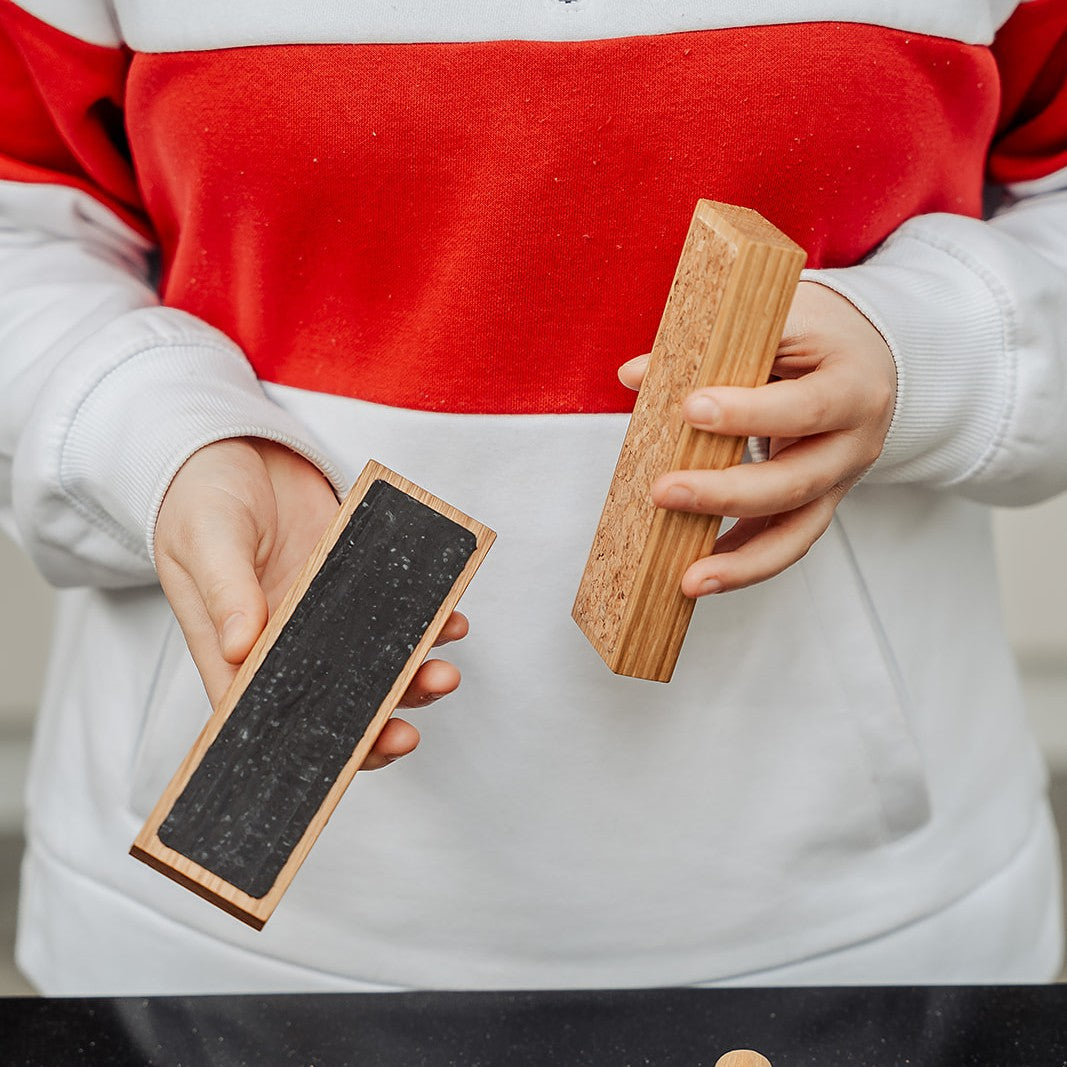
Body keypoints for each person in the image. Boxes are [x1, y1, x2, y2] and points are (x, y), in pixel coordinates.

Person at [1, 0, 1065, 995]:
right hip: (218, 952)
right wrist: (155, 434)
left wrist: (928, 349)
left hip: (852, 926)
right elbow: (24, 231)